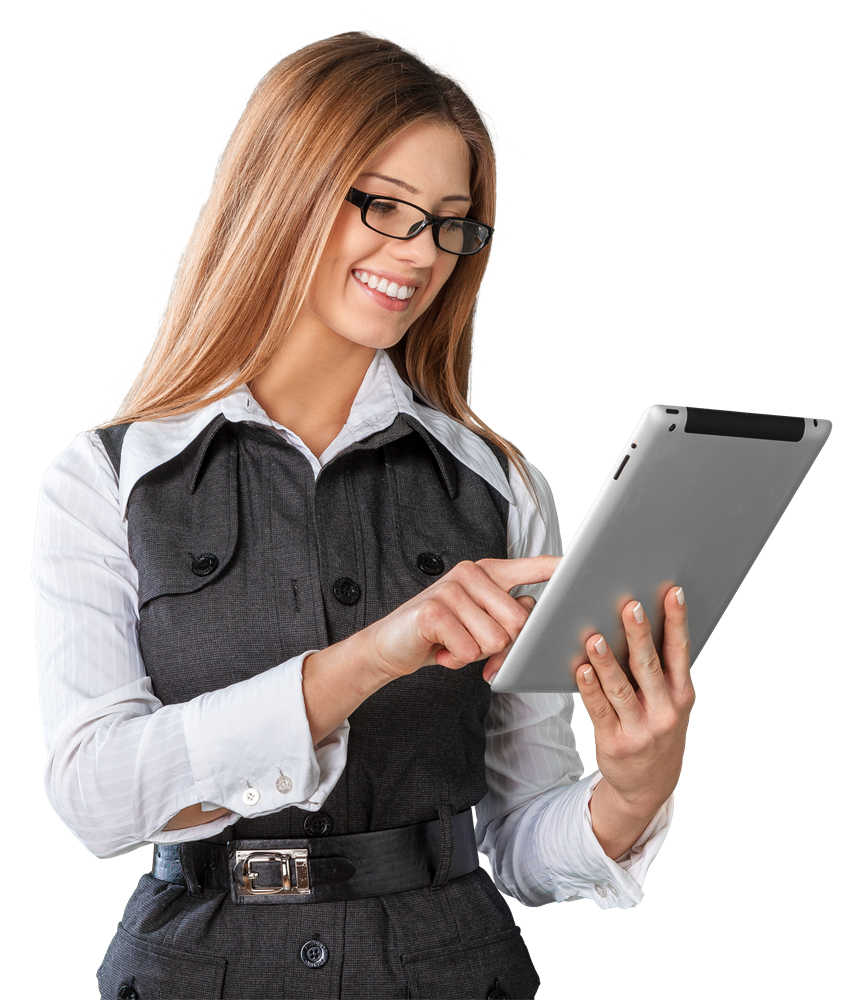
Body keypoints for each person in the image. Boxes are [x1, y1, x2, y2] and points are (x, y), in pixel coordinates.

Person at [32, 29, 694, 999]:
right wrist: (374, 655)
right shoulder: (105, 478)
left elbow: (517, 840)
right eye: (383, 205)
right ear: (284, 188)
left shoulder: (501, 487)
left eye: (449, 225)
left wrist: (634, 786)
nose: (418, 254)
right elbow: (95, 798)